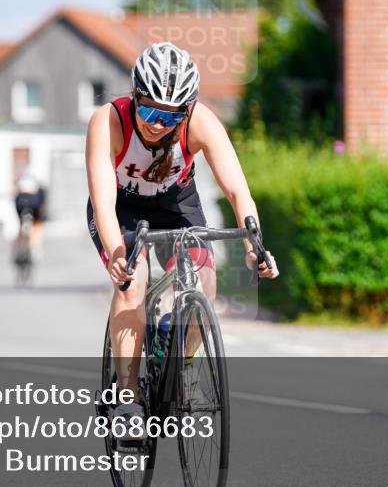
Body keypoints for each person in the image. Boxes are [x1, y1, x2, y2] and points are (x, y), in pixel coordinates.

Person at [85, 41, 278, 436]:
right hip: (122, 207)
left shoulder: (201, 122)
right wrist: (118, 254)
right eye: (149, 111)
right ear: (134, 96)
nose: (157, 124)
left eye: (170, 116)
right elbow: (103, 202)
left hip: (176, 203)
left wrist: (253, 246)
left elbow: (237, 190)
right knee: (132, 282)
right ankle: (128, 400)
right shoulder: (108, 121)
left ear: (186, 111)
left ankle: (179, 365)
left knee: (205, 282)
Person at [14, 171, 46, 260]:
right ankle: (36, 248)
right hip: (32, 205)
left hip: (21, 204)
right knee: (37, 226)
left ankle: (17, 249)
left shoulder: (22, 181)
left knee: (22, 226)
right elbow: (41, 205)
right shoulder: (37, 185)